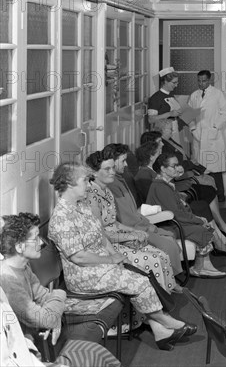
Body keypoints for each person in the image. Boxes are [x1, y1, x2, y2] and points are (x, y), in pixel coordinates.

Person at [48, 163, 195, 351]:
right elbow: (79, 258)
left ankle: (160, 332)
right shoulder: (62, 217)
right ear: (69, 184)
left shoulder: (82, 205)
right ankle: (168, 322)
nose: (88, 183)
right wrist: (110, 260)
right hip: (85, 276)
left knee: (143, 274)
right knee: (141, 284)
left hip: (101, 265)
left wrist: (114, 254)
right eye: (84, 180)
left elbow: (100, 233)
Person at [0, 213, 122, 367]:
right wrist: (60, 294)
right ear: (19, 246)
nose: (41, 243)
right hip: (27, 351)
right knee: (90, 355)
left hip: (38, 337)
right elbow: (45, 316)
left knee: (97, 351)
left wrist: (54, 317)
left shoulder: (23, 268)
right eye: (36, 238)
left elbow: (44, 297)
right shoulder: (7, 279)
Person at [85, 151, 179, 295]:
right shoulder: (91, 197)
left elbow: (113, 222)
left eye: (112, 168)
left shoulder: (106, 191)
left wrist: (134, 231)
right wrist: (129, 237)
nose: (112, 172)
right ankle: (153, 307)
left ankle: (164, 297)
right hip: (106, 245)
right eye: (107, 169)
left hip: (116, 236)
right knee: (153, 259)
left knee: (162, 255)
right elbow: (100, 234)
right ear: (94, 173)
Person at [103, 143, 186, 282]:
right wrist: (152, 228)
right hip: (132, 230)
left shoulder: (120, 180)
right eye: (123, 161)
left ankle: (169, 281)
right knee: (168, 243)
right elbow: (126, 218)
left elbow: (132, 214)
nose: (126, 165)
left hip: (137, 225)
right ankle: (170, 283)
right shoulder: (113, 185)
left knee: (169, 237)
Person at [146, 152, 226, 278]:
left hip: (173, 220)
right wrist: (197, 220)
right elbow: (175, 213)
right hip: (167, 224)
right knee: (200, 228)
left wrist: (196, 218)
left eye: (178, 165)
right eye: (174, 166)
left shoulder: (166, 184)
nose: (178, 168)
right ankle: (201, 267)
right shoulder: (160, 187)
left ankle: (202, 266)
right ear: (163, 169)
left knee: (202, 224)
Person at [152, 119, 226, 238]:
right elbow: (177, 167)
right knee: (208, 183)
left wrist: (195, 166)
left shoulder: (169, 141)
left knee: (209, 183)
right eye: (169, 129)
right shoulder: (164, 148)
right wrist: (193, 170)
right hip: (181, 179)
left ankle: (218, 225)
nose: (172, 131)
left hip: (185, 172)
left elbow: (184, 159)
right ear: (161, 131)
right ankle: (218, 228)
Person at [188, 70, 226, 203]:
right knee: (200, 167)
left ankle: (220, 196)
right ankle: (204, 196)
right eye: (199, 81)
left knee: (215, 169)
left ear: (209, 80)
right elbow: (188, 115)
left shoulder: (218, 94)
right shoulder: (194, 95)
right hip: (198, 135)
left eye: (204, 81)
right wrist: (193, 128)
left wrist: (215, 127)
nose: (201, 83)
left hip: (213, 136)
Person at [147, 67, 186, 132]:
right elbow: (151, 119)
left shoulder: (171, 95)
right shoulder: (156, 98)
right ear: (165, 81)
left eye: (177, 83)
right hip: (163, 132)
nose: (176, 85)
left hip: (174, 130)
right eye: (174, 83)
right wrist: (170, 114)